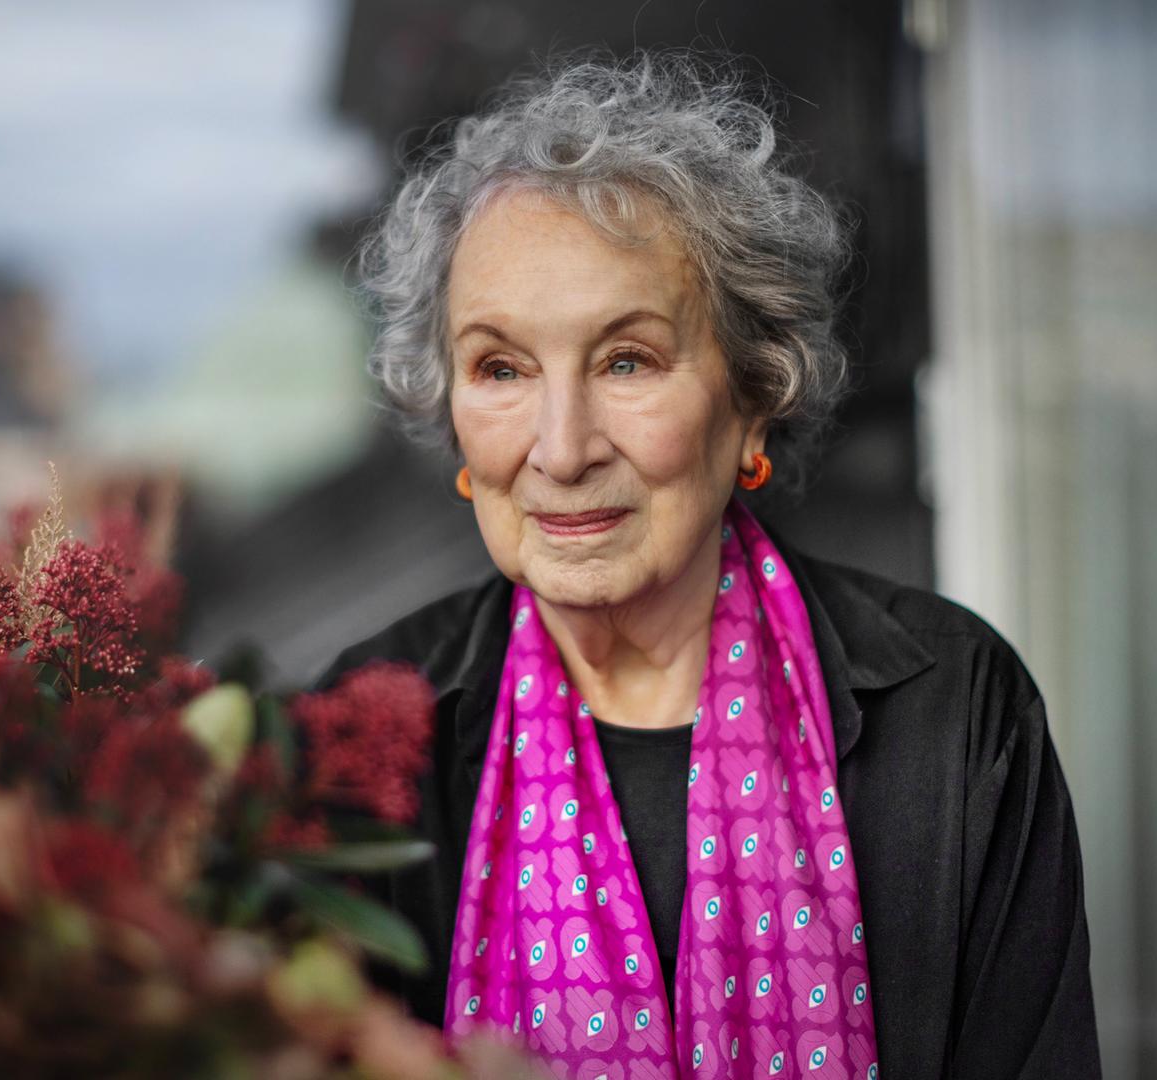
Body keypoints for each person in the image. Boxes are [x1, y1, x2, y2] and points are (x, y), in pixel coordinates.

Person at [315, 46, 1101, 1079]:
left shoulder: (954, 711)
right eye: (500, 368)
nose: (561, 449)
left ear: (754, 398)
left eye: (627, 360)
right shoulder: (368, 736)